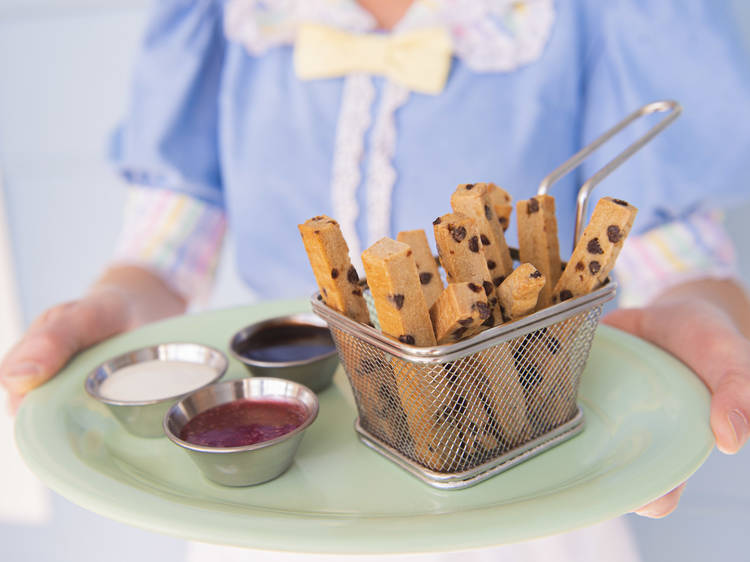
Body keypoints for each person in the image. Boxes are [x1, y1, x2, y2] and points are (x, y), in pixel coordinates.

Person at [1, 0, 749, 558]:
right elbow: (164, 252)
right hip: (284, 498)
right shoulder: (225, 16)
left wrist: (705, 312)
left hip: (522, 501)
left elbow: (668, 247)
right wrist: (115, 302)